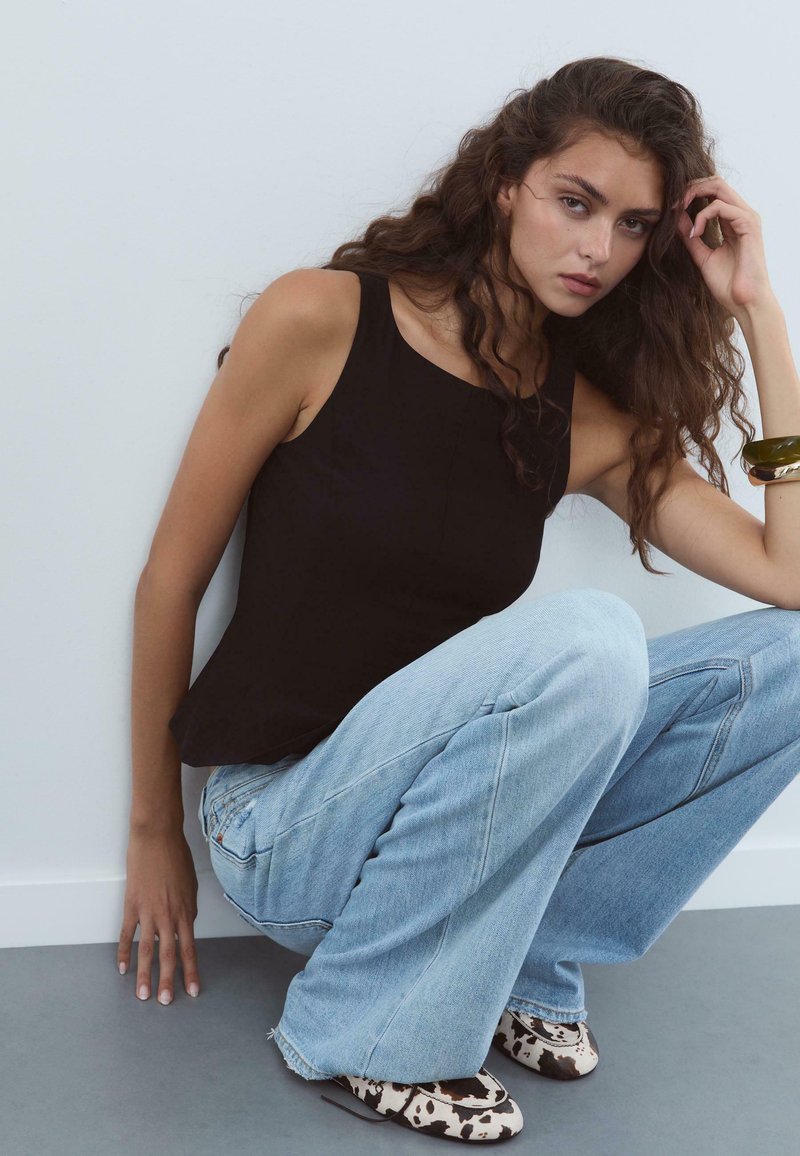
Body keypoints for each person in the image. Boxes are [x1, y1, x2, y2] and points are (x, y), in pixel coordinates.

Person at [119, 55, 800, 1144]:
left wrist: (760, 311)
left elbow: (790, 576)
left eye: (632, 226)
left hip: (452, 828)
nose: (598, 249)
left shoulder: (585, 421)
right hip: (283, 827)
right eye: (574, 202)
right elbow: (171, 577)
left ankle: (528, 955)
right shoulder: (319, 320)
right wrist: (156, 830)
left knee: (785, 662)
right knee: (589, 637)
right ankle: (368, 1031)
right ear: (506, 182)